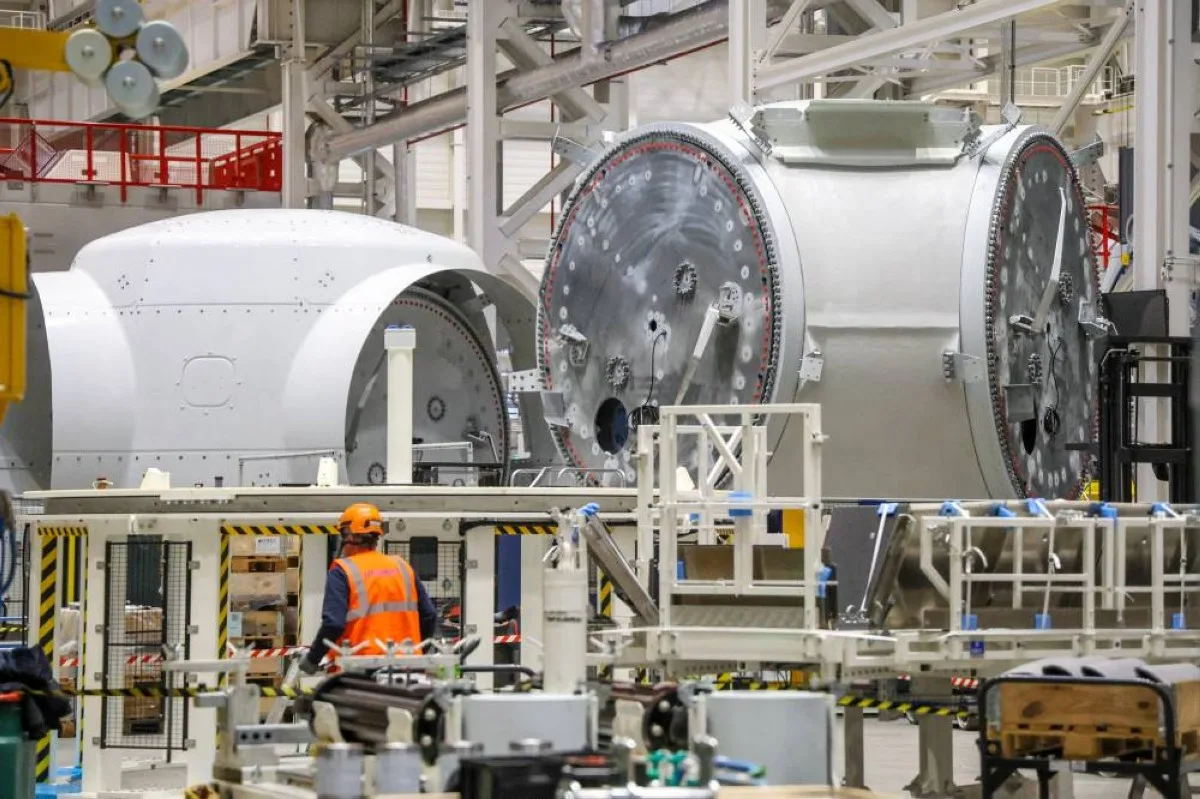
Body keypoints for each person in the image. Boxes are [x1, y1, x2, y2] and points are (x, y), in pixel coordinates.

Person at [300, 503, 437, 674]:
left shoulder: (342, 571)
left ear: (350, 535)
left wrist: (313, 659)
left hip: (361, 671)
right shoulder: (402, 567)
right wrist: (418, 652)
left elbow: (333, 623)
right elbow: (429, 615)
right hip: (409, 668)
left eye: (343, 533)